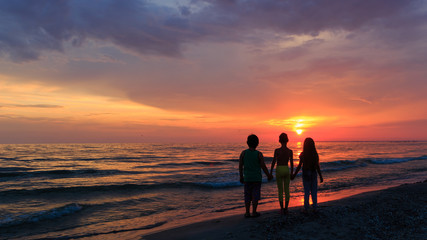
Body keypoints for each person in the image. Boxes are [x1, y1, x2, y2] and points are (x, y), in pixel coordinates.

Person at [239, 134, 273, 218]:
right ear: (257, 143)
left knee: (247, 195)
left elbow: (240, 166)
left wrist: (241, 176)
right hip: (257, 178)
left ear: (247, 143)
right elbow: (263, 166)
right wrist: (268, 175)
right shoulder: (259, 154)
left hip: (247, 178)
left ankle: (247, 212)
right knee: (255, 195)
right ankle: (254, 212)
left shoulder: (243, 153)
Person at [292, 137, 323, 213]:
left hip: (306, 173)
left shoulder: (303, 154)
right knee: (314, 191)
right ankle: (315, 207)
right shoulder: (315, 154)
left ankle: (306, 208)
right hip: (313, 172)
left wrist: (294, 174)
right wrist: (320, 176)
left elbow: (299, 166)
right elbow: (317, 166)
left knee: (306, 191)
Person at [270, 133, 294, 215]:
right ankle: (286, 208)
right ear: (287, 140)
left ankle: (281, 208)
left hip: (279, 169)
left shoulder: (277, 151)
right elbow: (292, 163)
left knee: (280, 190)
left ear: (279, 140)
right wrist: (292, 173)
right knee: (287, 189)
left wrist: (270, 172)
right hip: (286, 169)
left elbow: (273, 162)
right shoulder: (290, 151)